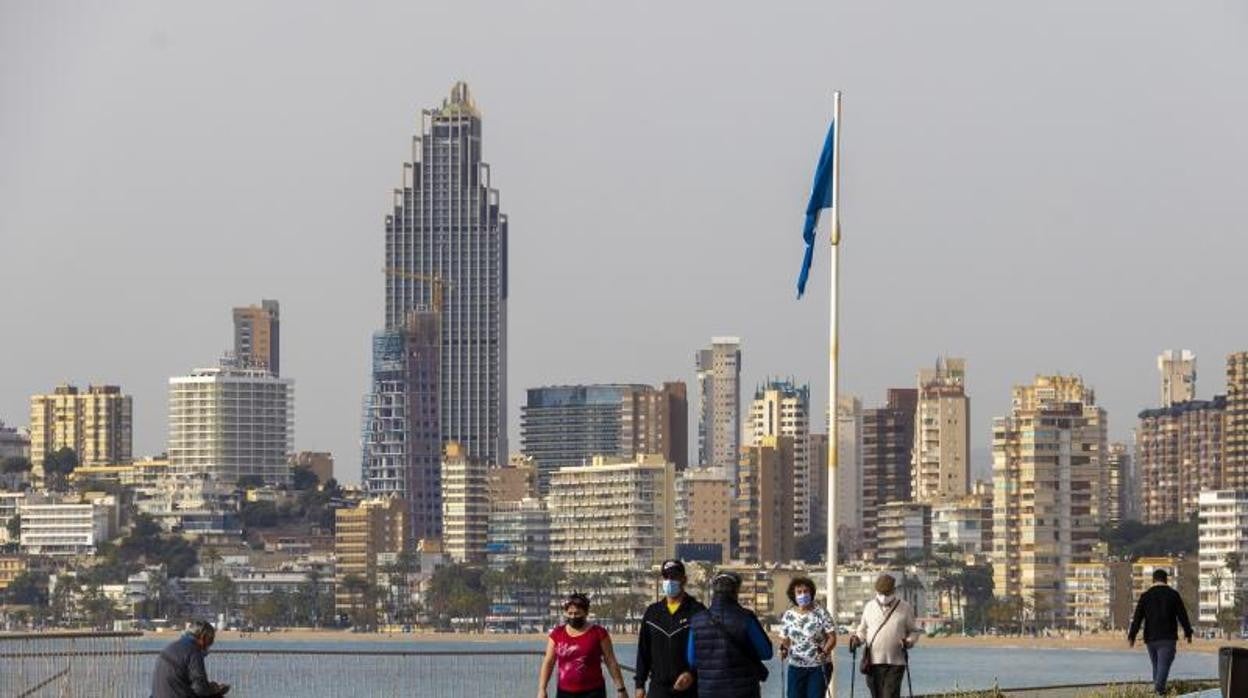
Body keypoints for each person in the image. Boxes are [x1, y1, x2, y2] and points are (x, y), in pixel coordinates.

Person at [686, 571, 774, 698]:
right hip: (743, 692)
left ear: (714, 591)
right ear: (736, 591)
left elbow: (692, 660)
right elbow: (766, 653)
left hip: (709, 691)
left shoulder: (696, 621)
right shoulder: (746, 618)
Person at [635, 559, 705, 698]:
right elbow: (643, 652)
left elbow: (707, 651)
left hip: (689, 689)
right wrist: (640, 685)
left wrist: (692, 673)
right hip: (658, 689)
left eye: (674, 577)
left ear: (683, 579)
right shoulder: (652, 613)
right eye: (666, 577)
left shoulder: (697, 611)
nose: (669, 580)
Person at [538, 593, 630, 698]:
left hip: (593, 692)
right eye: (570, 613)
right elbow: (548, 662)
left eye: (577, 613)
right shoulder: (557, 634)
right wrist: (542, 689)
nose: (573, 616)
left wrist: (621, 689)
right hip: (564, 692)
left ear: (585, 613)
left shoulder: (599, 633)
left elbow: (610, 661)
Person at [849, 574, 920, 698]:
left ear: (893, 591)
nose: (883, 597)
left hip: (896, 662)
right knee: (876, 694)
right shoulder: (869, 607)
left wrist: (909, 641)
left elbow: (914, 631)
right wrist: (857, 639)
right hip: (872, 661)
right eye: (881, 593)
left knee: (889, 694)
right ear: (876, 591)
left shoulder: (905, 607)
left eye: (886, 593)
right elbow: (863, 630)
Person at [1128, 568, 1194, 696]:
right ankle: (1158, 692)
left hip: (1151, 639)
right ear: (1166, 580)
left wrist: (1132, 635)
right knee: (1162, 668)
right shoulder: (1173, 595)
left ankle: (1159, 693)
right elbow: (1182, 615)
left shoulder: (1145, 596)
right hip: (1167, 638)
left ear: (1153, 580)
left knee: (1157, 668)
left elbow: (1137, 618)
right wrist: (1188, 632)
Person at [779, 576, 837, 698]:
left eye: (806, 591)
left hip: (818, 666)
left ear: (811, 593)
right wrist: (783, 650)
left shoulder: (821, 613)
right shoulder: (788, 615)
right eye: (799, 592)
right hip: (796, 666)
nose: (803, 594)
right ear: (793, 595)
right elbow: (785, 640)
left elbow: (832, 637)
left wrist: (825, 652)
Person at [150, 620, 230, 697]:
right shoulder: (193, 652)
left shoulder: (172, 646)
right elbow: (200, 689)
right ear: (203, 637)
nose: (210, 644)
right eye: (210, 640)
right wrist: (214, 689)